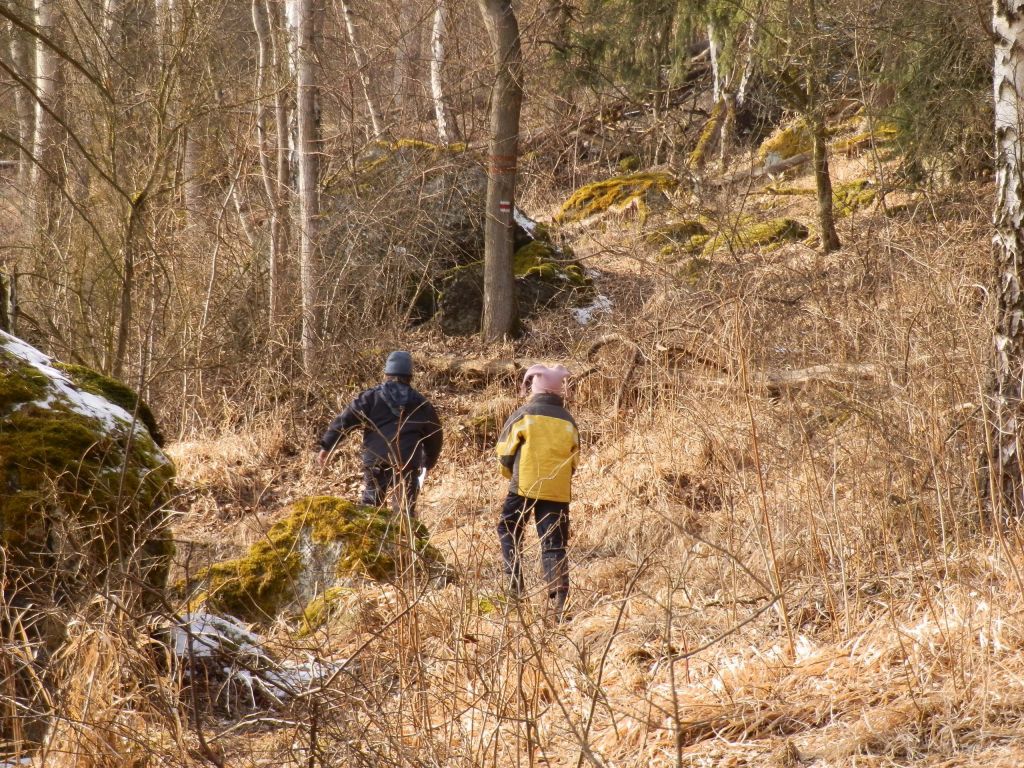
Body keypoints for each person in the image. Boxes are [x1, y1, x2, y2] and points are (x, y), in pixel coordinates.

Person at [494, 363, 578, 622]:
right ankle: (559, 603)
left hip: (524, 485)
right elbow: (574, 460)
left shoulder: (524, 414)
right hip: (558, 490)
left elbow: (504, 453)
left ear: (534, 388)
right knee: (554, 543)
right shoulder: (568, 420)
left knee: (509, 529)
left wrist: (510, 476)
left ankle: (515, 587)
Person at [318, 351, 443, 516]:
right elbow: (435, 436)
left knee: (370, 509)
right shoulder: (422, 404)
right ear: (410, 376)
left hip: (376, 461)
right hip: (406, 463)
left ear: (386, 374)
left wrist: (327, 445)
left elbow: (345, 420)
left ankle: (369, 530)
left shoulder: (370, 397)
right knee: (404, 513)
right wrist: (428, 462)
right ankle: (404, 531)